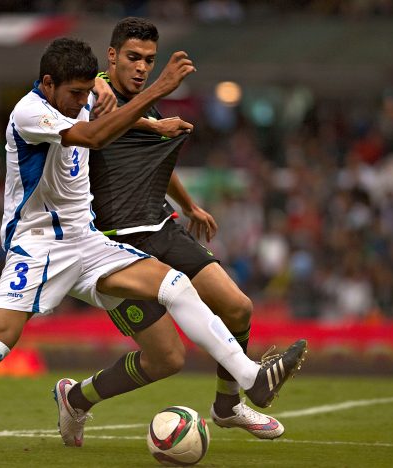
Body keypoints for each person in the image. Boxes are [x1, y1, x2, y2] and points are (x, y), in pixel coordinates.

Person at [0, 36, 305, 455]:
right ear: (48, 84)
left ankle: (252, 378)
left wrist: (149, 122)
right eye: (74, 94)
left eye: (85, 92)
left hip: (88, 241)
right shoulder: (30, 113)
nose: (81, 102)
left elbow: (100, 111)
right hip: (38, 247)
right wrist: (161, 89)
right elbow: (91, 136)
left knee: (175, 285)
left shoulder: (82, 92)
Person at [54, 17, 299, 445]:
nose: (142, 67)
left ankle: (228, 405)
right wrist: (97, 81)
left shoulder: (144, 105)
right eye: (132, 57)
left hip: (159, 227)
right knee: (166, 359)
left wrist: (189, 205)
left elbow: (149, 158)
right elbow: (87, 116)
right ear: (110, 57)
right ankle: (77, 397)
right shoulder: (91, 94)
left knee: (238, 307)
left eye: (149, 60)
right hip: (111, 246)